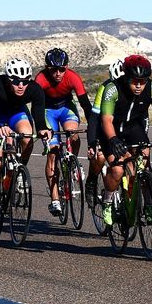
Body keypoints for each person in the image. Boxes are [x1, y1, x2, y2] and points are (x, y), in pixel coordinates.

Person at [99, 55, 152, 226]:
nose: (139, 85)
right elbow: (106, 119)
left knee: (144, 163)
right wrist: (113, 139)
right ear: (126, 77)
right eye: (135, 81)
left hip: (133, 128)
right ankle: (107, 201)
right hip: (110, 130)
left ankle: (148, 204)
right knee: (117, 170)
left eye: (143, 81)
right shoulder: (113, 88)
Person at [0, 58, 50, 232]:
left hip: (15, 113)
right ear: (8, 79)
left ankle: (19, 170)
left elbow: (38, 116)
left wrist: (43, 129)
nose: (21, 85)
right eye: (16, 81)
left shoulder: (35, 89)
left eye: (25, 81)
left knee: (27, 136)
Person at [34, 48, 93, 216]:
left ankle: (73, 162)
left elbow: (85, 105)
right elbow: (36, 108)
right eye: (54, 69)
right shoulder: (40, 79)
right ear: (47, 68)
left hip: (66, 108)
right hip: (47, 111)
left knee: (72, 133)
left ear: (67, 66)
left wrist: (94, 127)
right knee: (52, 152)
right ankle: (55, 200)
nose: (58, 73)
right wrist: (41, 128)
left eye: (62, 69)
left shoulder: (73, 77)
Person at [84, 59, 129, 207]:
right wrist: (92, 143)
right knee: (100, 156)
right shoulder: (105, 88)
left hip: (121, 127)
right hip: (103, 125)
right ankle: (91, 180)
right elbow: (94, 118)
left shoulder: (132, 88)